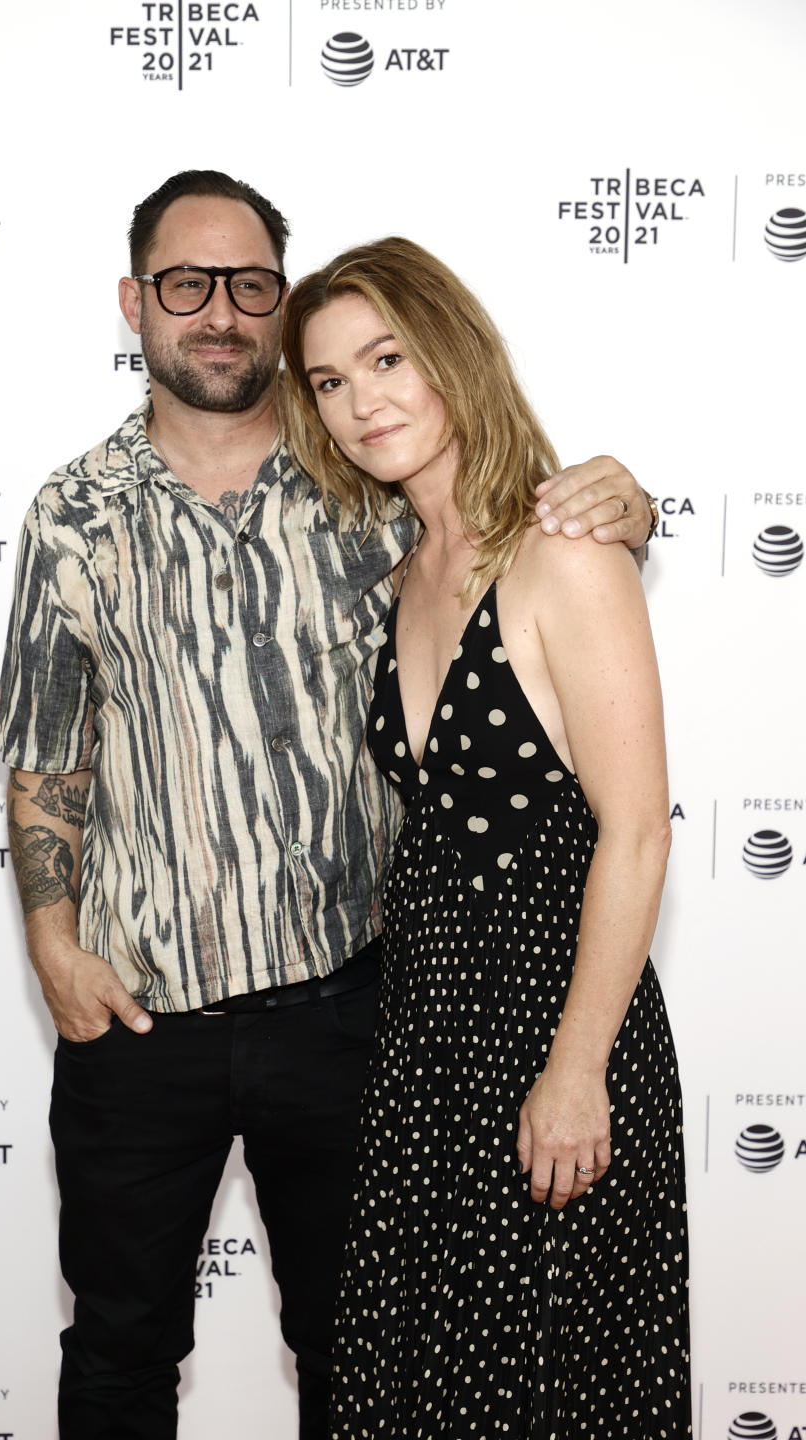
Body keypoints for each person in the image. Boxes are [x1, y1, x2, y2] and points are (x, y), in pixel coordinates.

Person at [0, 171, 654, 1440]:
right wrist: (50, 945)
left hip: (353, 1014)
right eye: (187, 283)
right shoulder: (70, 517)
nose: (220, 311)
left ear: (277, 306)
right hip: (138, 1027)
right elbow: (44, 760)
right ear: (137, 303)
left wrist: (629, 499)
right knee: (120, 1351)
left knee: (364, 1360)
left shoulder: (359, 492)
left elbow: (509, 529)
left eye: (249, 285)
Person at [280, 237, 690, 1438]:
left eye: (387, 358)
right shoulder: (397, 572)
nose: (363, 402)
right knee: (421, 1388)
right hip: (423, 1048)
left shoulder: (565, 553)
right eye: (329, 381)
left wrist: (576, 1072)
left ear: (452, 355)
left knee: (551, 1391)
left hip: (551, 1037)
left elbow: (638, 836)